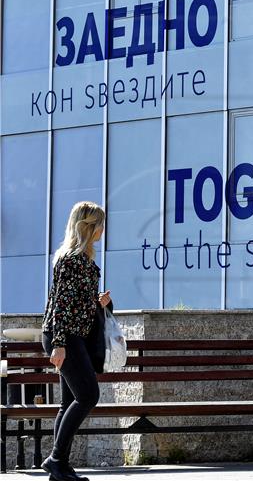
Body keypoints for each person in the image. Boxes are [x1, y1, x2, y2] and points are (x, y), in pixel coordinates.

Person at [41, 201, 112, 481]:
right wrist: (59, 343)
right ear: (90, 227)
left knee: (69, 401)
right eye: (101, 225)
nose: (104, 230)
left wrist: (100, 303)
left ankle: (61, 467)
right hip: (65, 336)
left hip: (72, 335)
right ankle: (56, 459)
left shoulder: (84, 260)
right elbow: (60, 304)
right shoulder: (71, 259)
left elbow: (75, 302)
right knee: (88, 395)